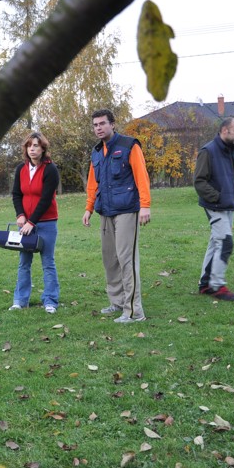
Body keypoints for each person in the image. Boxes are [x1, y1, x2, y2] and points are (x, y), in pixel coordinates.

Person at [82, 109, 151, 324]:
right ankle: (117, 302)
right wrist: (89, 208)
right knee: (109, 259)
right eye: (95, 125)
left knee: (126, 259)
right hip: (105, 211)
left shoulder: (130, 145)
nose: (98, 128)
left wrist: (145, 206)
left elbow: (142, 175)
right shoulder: (96, 152)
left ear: (113, 124)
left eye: (102, 123)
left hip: (127, 210)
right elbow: (94, 184)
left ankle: (134, 311)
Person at [193, 118, 234, 302]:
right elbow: (199, 181)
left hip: (228, 205)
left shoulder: (231, 152)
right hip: (215, 206)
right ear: (224, 130)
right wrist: (217, 197)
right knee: (226, 243)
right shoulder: (208, 151)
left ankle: (205, 283)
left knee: (216, 243)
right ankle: (217, 285)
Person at [9, 132, 61, 314]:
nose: (33, 149)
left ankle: (50, 301)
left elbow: (46, 198)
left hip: (46, 223)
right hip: (25, 224)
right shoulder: (20, 169)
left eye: (36, 145)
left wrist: (32, 221)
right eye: (30, 146)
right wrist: (20, 215)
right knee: (24, 262)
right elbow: (16, 194)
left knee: (48, 262)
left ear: (43, 149)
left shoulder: (50, 169)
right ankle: (20, 300)